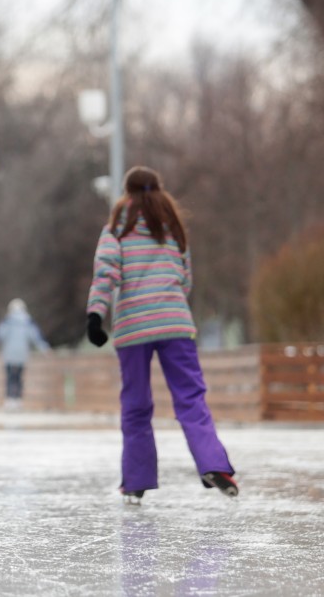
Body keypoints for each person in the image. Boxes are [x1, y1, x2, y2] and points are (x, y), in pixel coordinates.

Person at [86, 165, 238, 502]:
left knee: (136, 405)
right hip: (175, 324)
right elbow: (185, 280)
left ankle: (136, 482)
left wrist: (96, 315)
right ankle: (214, 464)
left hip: (133, 329)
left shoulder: (116, 230)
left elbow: (105, 274)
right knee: (191, 399)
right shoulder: (173, 230)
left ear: (126, 194)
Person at [0, 298, 48, 410]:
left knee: (10, 377)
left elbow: (0, 335)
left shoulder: (7, 321)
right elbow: (35, 337)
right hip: (22, 354)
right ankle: (18, 400)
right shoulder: (28, 321)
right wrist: (45, 349)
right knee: (18, 377)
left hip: (9, 355)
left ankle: (9, 400)